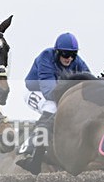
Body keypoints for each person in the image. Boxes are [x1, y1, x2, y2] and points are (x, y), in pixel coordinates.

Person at [16, 32, 92, 172]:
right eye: (65, 54)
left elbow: (90, 82)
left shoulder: (78, 62)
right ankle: (32, 149)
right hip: (35, 91)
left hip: (58, 93)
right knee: (52, 106)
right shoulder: (46, 57)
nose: (69, 58)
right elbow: (49, 92)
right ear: (57, 52)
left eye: (73, 55)